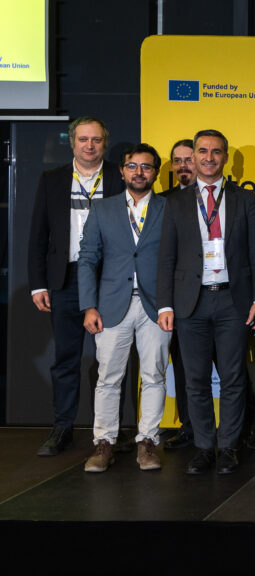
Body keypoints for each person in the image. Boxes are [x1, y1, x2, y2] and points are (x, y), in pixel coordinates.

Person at [156, 129, 255, 475]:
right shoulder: (175, 202)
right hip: (191, 304)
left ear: (225, 156)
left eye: (215, 152)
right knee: (195, 380)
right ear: (193, 156)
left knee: (233, 379)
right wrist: (165, 305)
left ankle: (229, 447)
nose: (208, 158)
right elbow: (166, 258)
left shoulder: (244, 199)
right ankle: (204, 447)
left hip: (233, 301)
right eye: (202, 151)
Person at [28, 116, 125, 456]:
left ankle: (109, 432)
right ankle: (62, 427)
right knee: (66, 358)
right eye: (83, 139)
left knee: (110, 360)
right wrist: (38, 283)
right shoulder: (52, 179)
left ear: (105, 143)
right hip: (66, 280)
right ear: (72, 143)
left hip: (110, 280)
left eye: (96, 140)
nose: (89, 145)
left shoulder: (119, 176)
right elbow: (39, 235)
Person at [78, 143, 172, 472]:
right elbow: (88, 259)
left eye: (146, 167)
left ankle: (147, 443)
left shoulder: (168, 208)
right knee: (108, 378)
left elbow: (176, 260)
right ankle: (104, 443)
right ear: (121, 171)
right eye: (132, 167)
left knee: (154, 376)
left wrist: (169, 303)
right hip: (110, 305)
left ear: (156, 172)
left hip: (156, 306)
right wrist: (89, 306)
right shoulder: (102, 210)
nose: (139, 172)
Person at [162, 138, 196, 451]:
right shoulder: (164, 202)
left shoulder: (227, 198)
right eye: (177, 160)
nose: (183, 166)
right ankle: (188, 427)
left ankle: (248, 427)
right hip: (180, 301)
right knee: (184, 370)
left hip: (221, 298)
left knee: (233, 370)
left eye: (188, 159)